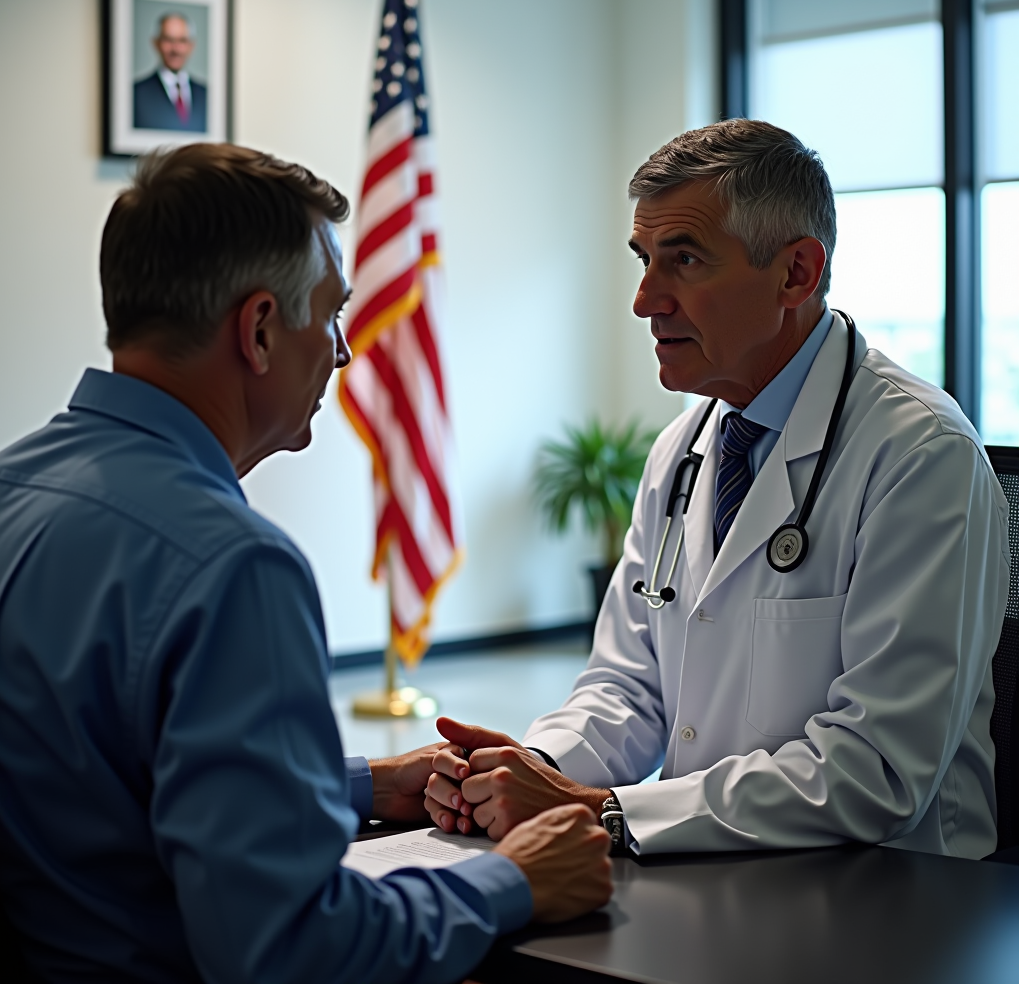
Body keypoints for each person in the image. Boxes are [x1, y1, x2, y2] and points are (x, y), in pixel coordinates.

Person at [0, 144, 612, 983]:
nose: (344, 353)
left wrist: (360, 784)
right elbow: (290, 952)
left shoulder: (12, 489)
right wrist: (513, 881)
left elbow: (100, 781)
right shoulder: (230, 566)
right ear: (257, 331)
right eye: (330, 316)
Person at [423, 119, 1011, 861]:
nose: (645, 300)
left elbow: (877, 769)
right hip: (711, 869)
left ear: (795, 273)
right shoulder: (686, 449)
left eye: (686, 260)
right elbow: (627, 687)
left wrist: (607, 812)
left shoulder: (920, 454)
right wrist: (533, 773)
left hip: (887, 898)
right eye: (644, 260)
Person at [133, 13, 208, 132]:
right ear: (156, 43)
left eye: (182, 41)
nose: (175, 49)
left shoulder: (208, 95)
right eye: (168, 40)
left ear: (191, 45)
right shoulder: (135, 94)